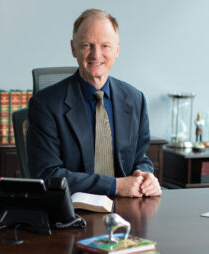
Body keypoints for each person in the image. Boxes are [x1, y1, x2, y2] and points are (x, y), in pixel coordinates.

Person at [27, 9, 161, 197]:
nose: (96, 55)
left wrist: (145, 176)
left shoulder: (135, 99)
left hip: (126, 210)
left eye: (105, 45)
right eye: (87, 45)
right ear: (73, 48)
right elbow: (48, 175)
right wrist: (114, 186)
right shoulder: (45, 105)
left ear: (117, 49)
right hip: (72, 212)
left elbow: (140, 157)